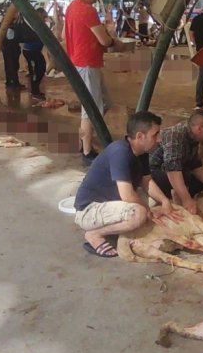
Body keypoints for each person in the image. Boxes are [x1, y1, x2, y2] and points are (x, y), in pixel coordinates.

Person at [73, 111, 175, 258]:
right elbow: (127, 195)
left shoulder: (142, 152)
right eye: (155, 134)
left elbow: (147, 181)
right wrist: (148, 212)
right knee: (139, 213)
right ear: (140, 136)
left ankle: (124, 226)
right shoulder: (120, 152)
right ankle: (95, 234)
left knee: (158, 204)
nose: (159, 139)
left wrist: (165, 201)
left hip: (111, 204)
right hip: (89, 210)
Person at [64, 0, 116, 161]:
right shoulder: (87, 10)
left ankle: (84, 139)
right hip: (87, 63)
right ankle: (87, 151)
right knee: (91, 108)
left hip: (79, 61)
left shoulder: (71, 8)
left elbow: (64, 34)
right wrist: (112, 38)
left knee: (103, 103)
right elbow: (104, 40)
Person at [149, 111, 203, 211]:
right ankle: (176, 197)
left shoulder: (193, 135)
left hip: (176, 168)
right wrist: (186, 200)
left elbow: (195, 164)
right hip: (155, 172)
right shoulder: (175, 135)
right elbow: (172, 170)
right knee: (185, 176)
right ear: (199, 129)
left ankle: (181, 193)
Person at [22, 9, 50, 99]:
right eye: (44, 17)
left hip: (35, 51)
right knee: (34, 71)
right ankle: (34, 91)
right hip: (30, 51)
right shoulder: (33, 24)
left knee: (41, 68)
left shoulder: (39, 25)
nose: (45, 19)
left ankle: (35, 89)